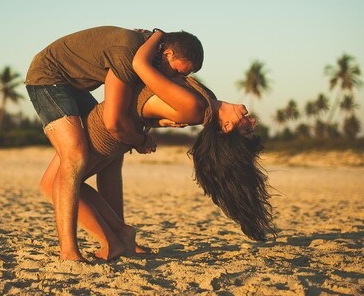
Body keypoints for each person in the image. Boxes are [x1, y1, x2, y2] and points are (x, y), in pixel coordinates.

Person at [38, 30, 275, 260]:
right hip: (118, 129)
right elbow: (155, 101)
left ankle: (115, 238)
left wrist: (157, 35)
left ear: (225, 128)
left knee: (54, 185)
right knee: (65, 182)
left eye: (245, 127)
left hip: (106, 131)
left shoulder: (196, 107)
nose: (251, 119)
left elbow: (140, 66)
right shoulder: (207, 100)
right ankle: (120, 233)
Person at [25, 26, 204, 262]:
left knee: (113, 154)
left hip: (73, 87)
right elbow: (113, 122)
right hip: (48, 79)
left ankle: (121, 236)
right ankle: (70, 251)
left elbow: (131, 111)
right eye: (178, 72)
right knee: (75, 157)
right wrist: (140, 140)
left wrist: (161, 122)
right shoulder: (128, 54)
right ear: (168, 54)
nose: (177, 79)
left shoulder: (149, 55)